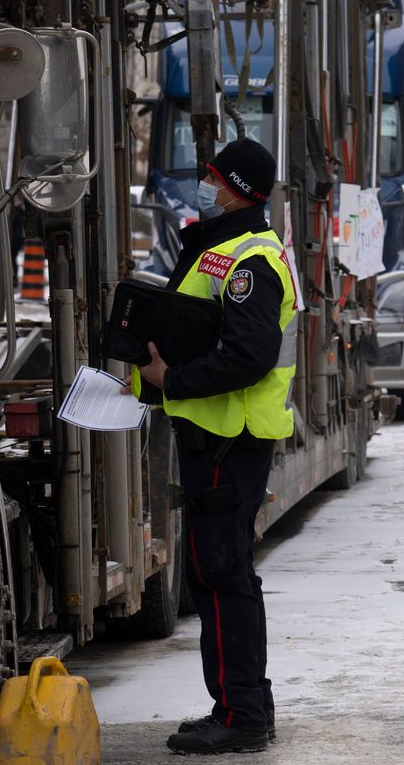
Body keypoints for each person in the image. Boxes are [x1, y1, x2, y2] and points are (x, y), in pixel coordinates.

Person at [126, 137, 297, 755]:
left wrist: (174, 380)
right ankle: (247, 705)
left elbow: (249, 356)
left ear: (236, 188)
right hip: (221, 437)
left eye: (212, 178)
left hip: (231, 438)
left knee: (221, 575)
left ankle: (241, 715)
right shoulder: (228, 248)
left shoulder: (249, 260)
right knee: (226, 575)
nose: (204, 185)